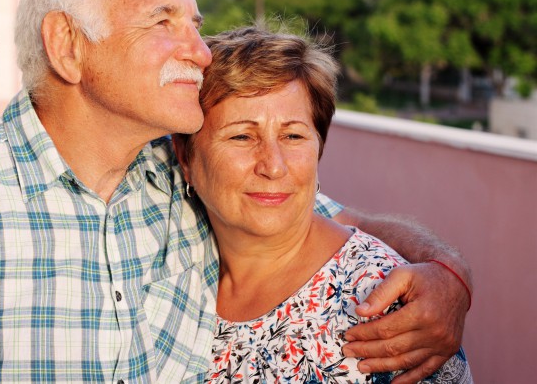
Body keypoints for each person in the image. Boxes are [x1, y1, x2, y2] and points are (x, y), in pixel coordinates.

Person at [0, 0, 470, 382]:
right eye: (162, 21)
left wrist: (448, 273)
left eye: (195, 23)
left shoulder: (180, 179)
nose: (200, 52)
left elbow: (326, 219)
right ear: (68, 45)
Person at [172, 26, 473, 383]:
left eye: (293, 136)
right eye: (241, 136)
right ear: (185, 157)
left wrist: (450, 268)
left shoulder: (385, 302)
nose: (273, 165)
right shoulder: (175, 279)